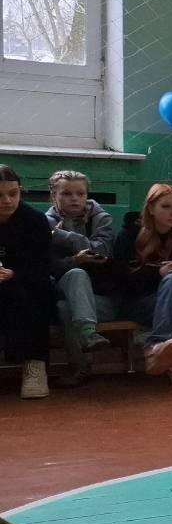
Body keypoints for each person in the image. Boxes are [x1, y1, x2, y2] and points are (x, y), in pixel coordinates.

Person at [113, 184, 172, 384]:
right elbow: (120, 279)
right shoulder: (130, 235)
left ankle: (157, 347)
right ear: (151, 208)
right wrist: (158, 273)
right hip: (140, 302)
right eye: (166, 206)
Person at [45, 169, 116, 386]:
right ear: (54, 196)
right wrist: (76, 260)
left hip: (100, 297)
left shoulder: (101, 218)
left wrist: (61, 236)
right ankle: (88, 335)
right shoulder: (45, 223)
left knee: (66, 308)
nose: (75, 199)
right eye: (66, 194)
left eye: (80, 193)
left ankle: (80, 365)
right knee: (75, 275)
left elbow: (102, 251)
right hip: (65, 288)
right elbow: (49, 266)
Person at [0, 165, 54, 398]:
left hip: (25, 283)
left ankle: (35, 365)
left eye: (13, 193)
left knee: (33, 296)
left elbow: (43, 265)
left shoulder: (35, 220)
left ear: (20, 191)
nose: (7, 201)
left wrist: (14, 274)